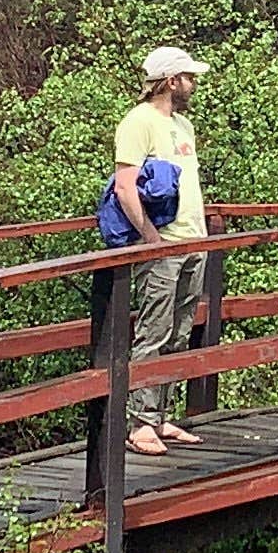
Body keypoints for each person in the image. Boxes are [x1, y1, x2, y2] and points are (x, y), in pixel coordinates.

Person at [111, 45, 212, 456]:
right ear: (171, 81)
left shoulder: (183, 126)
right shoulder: (138, 122)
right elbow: (125, 185)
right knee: (153, 331)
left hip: (193, 239)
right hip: (163, 245)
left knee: (180, 331)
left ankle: (160, 416)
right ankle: (140, 424)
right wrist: (151, 239)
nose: (194, 83)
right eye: (189, 77)